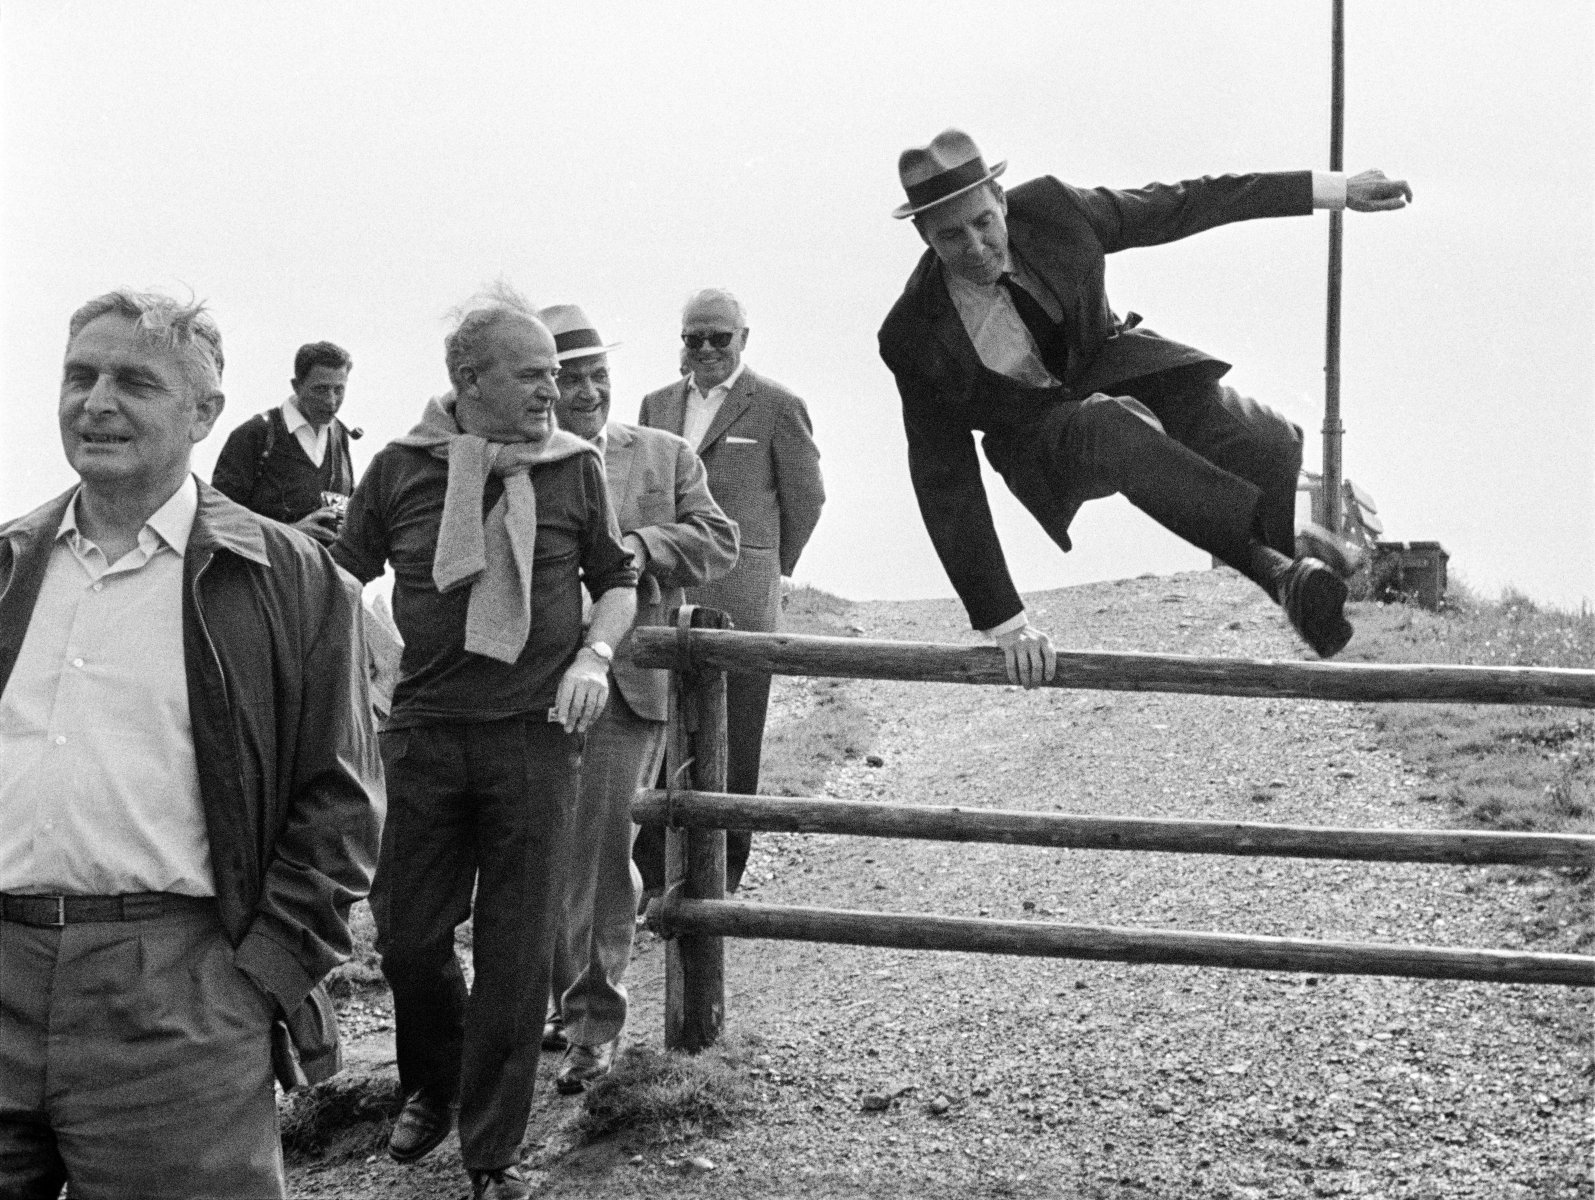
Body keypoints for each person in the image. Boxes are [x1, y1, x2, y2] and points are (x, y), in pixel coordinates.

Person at [0, 289, 383, 1199]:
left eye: (134, 381)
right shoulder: (9, 563)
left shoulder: (290, 581)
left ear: (205, 412)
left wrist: (257, 984)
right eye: (79, 376)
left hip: (177, 999)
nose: (97, 403)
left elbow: (342, 807)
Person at [877, 129, 1413, 683]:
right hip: (1042, 442)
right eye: (951, 237)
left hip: (1120, 368)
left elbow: (1183, 202)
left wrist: (1333, 190)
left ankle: (1291, 574)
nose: (976, 247)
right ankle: (1276, 570)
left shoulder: (1059, 211)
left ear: (1003, 202)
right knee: (1109, 426)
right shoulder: (912, 336)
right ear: (923, 235)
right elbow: (945, 483)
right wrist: (1006, 623)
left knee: (1270, 442)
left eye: (983, 223)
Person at [330, 286, 638, 1200]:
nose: (557, 390)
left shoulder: (574, 467)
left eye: (560, 373)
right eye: (535, 374)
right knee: (408, 938)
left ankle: (489, 1155)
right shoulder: (397, 467)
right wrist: (371, 661)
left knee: (514, 952)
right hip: (423, 737)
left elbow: (617, 579)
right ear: (469, 379)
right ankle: (434, 1075)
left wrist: (596, 652)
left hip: (538, 741)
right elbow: (340, 578)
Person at [536, 304, 737, 1093]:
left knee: (599, 853)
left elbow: (718, 541)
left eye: (597, 376)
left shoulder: (663, 454)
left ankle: (593, 1025)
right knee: (542, 855)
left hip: (623, 687)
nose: (587, 392)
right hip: (529, 693)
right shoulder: (510, 463)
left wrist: (635, 549)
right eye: (568, 378)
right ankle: (560, 1005)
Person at [636, 288, 825, 893]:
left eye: (721, 336)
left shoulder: (776, 405)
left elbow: (806, 500)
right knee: (659, 735)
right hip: (665, 595)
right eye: (696, 338)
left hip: (743, 599)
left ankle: (722, 879)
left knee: (736, 738)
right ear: (682, 342)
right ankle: (653, 876)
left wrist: (771, 569)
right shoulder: (656, 404)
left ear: (744, 337)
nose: (709, 348)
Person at [212, 340, 360, 543]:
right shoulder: (255, 434)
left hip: (320, 571)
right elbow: (218, 519)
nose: (331, 401)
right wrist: (291, 532)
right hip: (266, 572)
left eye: (339, 390)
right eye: (321, 389)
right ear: (296, 386)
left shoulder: (340, 435)